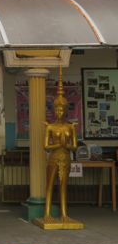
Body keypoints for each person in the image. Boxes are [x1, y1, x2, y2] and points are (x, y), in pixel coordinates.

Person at [43, 73, 78, 222]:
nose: (59, 112)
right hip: (54, 158)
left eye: (62, 109)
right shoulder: (50, 127)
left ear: (65, 110)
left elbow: (74, 146)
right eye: (57, 109)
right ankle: (47, 213)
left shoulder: (70, 127)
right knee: (50, 185)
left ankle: (64, 214)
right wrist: (59, 144)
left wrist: (67, 146)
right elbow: (46, 146)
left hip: (66, 158)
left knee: (63, 187)